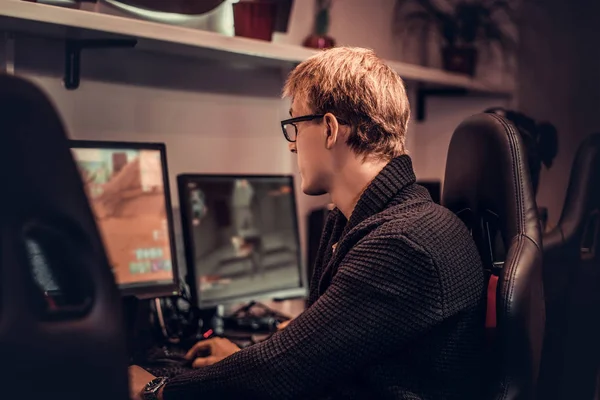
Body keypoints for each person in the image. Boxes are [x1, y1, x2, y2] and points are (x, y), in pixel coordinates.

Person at [129, 47, 486, 400]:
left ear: (330, 129)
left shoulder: (402, 242)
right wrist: (245, 360)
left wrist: (156, 390)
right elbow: (313, 349)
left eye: (295, 125)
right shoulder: (371, 220)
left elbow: (282, 371)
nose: (292, 146)